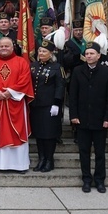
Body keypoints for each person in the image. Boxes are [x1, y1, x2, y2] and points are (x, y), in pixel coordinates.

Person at [0, 37, 33, 173]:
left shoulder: (22, 62)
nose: (4, 48)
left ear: (13, 47)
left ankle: (19, 165)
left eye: (6, 46)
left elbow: (24, 80)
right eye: (1, 46)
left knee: (17, 132)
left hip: (15, 103)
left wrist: (10, 92)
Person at [69, 42, 108, 192]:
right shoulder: (78, 71)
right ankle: (86, 179)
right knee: (84, 151)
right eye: (87, 54)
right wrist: (74, 115)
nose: (89, 56)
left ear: (98, 56)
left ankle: (100, 180)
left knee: (100, 152)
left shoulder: (107, 72)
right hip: (82, 119)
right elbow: (73, 95)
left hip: (100, 119)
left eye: (92, 54)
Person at [29, 40, 65, 171]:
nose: (41, 53)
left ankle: (49, 160)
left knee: (49, 134)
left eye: (44, 51)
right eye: (40, 51)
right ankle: (41, 159)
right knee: (39, 134)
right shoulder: (33, 65)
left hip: (50, 106)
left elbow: (60, 86)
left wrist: (56, 103)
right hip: (36, 105)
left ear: (51, 53)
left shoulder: (57, 67)